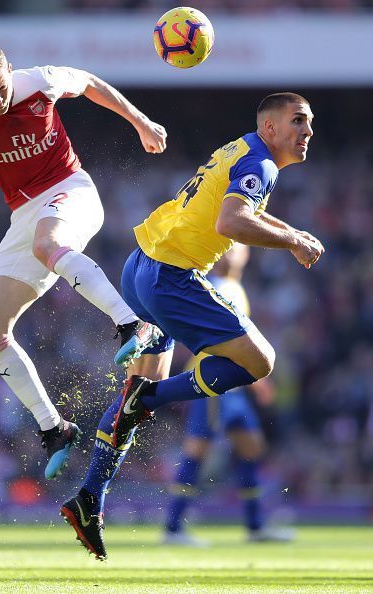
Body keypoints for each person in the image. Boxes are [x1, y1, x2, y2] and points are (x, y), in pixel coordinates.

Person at [60, 92, 324, 560]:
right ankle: (153, 399)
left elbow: (241, 211)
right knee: (260, 361)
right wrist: (291, 243)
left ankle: (89, 498)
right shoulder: (261, 165)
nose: (307, 131)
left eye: (309, 123)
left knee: (133, 396)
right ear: (270, 128)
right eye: (298, 121)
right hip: (171, 277)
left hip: (140, 265)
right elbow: (232, 221)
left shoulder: (242, 149)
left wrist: (295, 233)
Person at [0, 43, 165, 480]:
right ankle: (55, 428)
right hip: (25, 215)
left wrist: (141, 122)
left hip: (71, 190)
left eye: (1, 87)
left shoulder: (40, 81)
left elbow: (89, 82)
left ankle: (134, 325)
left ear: (11, 72)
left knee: (47, 245)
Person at [162, 244, 293, 546]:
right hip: (212, 383)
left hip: (232, 388)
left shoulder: (236, 287)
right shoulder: (212, 286)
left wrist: (256, 381)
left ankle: (255, 526)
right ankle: (173, 528)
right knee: (197, 451)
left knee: (251, 448)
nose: (232, 252)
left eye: (238, 247)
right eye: (228, 248)